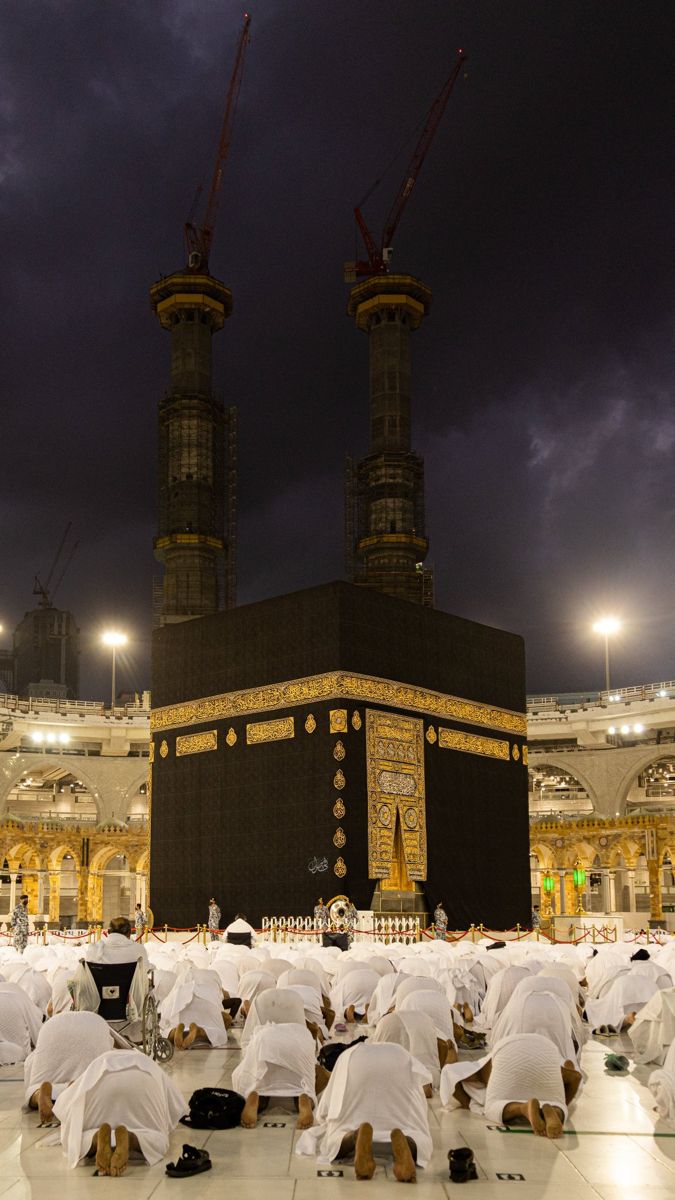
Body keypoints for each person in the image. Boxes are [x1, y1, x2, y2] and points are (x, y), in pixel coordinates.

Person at [52, 1048, 187, 1173]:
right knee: (159, 1138)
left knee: (73, 1137)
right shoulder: (147, 1063)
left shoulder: (98, 1063)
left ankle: (94, 1139)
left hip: (100, 1083)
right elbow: (177, 1108)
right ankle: (131, 1139)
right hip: (142, 1082)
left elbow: (64, 1106)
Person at [84, 917, 149, 967]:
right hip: (131, 984)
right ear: (129, 933)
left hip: (101, 984)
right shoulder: (139, 950)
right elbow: (146, 968)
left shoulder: (94, 950)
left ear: (108, 932)